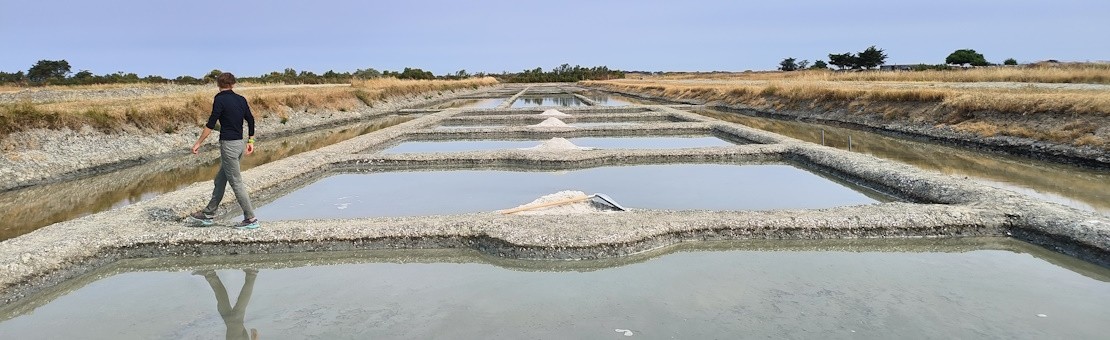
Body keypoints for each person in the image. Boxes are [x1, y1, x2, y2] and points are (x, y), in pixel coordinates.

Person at [189, 72, 260, 229]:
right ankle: (208, 214)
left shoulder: (219, 99)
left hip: (229, 145)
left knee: (236, 182)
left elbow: (211, 123)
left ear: (218, 84)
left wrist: (198, 142)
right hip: (240, 144)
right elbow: (251, 119)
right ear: (233, 84)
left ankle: (250, 219)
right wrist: (251, 141)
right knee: (220, 179)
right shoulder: (241, 99)